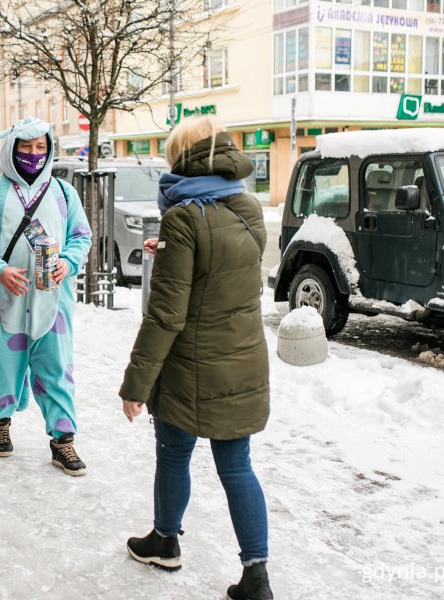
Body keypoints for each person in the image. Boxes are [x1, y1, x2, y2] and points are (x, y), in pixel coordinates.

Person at [119, 116, 273, 599]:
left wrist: (135, 385)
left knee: (174, 453)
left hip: (189, 366)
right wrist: (166, 251)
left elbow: (166, 315)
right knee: (237, 466)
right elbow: (222, 264)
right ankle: (257, 575)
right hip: (242, 359)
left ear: (181, 159)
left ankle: (165, 541)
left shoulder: (183, 217)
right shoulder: (246, 205)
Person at [0, 116, 92, 476]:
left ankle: (63, 441)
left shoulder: (64, 193)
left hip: (54, 300)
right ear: (12, 149)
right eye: (26, 146)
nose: (33, 154)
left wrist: (69, 261)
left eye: (41, 147)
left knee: (57, 370)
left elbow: (81, 236)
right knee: (2, 365)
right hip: (7, 298)